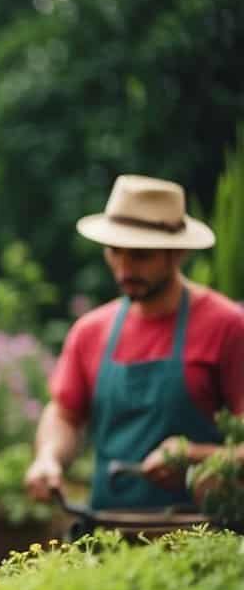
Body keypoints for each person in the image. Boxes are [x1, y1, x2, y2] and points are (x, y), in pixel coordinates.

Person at [25, 174, 244, 511]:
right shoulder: (91, 331)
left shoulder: (227, 327)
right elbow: (65, 414)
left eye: (141, 256)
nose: (124, 268)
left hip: (201, 539)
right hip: (106, 535)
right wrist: (48, 458)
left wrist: (195, 455)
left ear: (178, 253)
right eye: (115, 252)